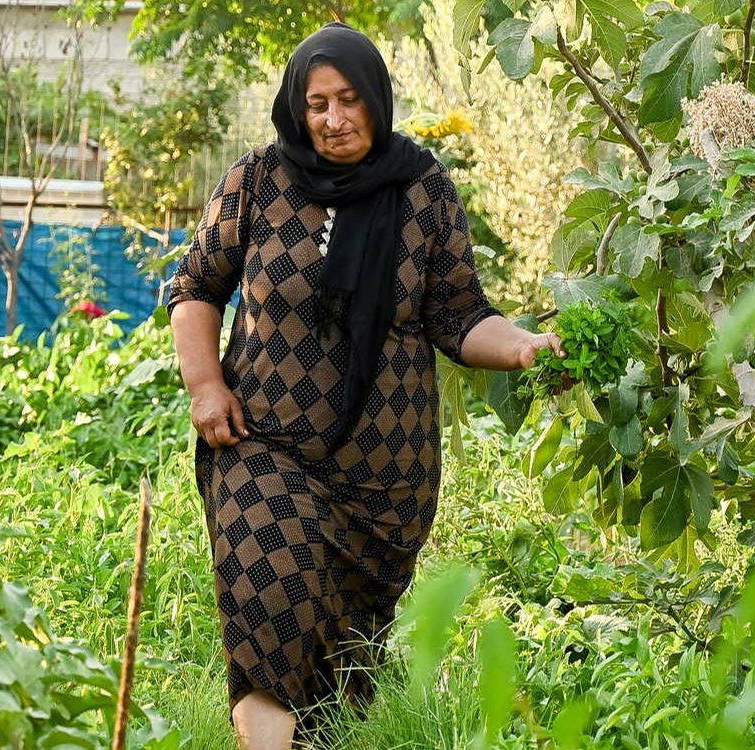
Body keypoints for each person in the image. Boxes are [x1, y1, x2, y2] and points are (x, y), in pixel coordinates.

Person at [162, 21, 567, 749]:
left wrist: (525, 348)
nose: (334, 119)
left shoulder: (422, 189)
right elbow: (196, 286)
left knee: (337, 676)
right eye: (317, 104)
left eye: (349, 100)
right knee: (270, 601)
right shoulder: (256, 180)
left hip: (381, 482)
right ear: (297, 106)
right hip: (264, 446)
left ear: (377, 99)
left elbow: (461, 314)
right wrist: (205, 384)